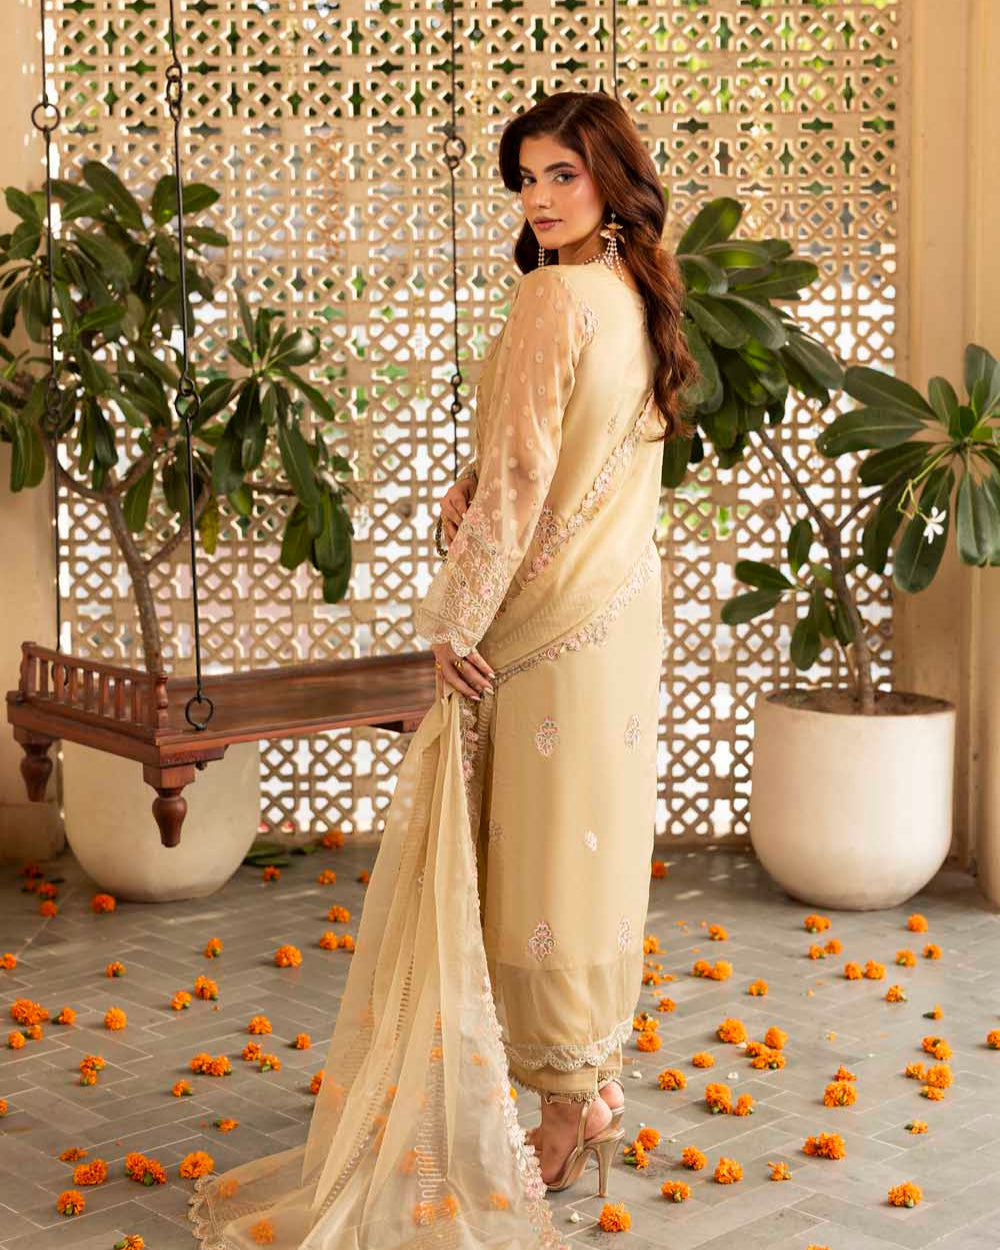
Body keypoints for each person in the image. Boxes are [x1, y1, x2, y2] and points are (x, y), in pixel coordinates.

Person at [188, 90, 697, 1250]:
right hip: (614, 628)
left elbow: (523, 484)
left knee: (511, 857)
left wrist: (452, 621)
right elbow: (553, 470)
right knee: (585, 843)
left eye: (562, 175)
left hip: (533, 631)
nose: (539, 199)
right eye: (525, 179)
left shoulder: (552, 294)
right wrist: (468, 490)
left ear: (611, 179)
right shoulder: (639, 299)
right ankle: (585, 1079)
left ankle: (564, 1105)